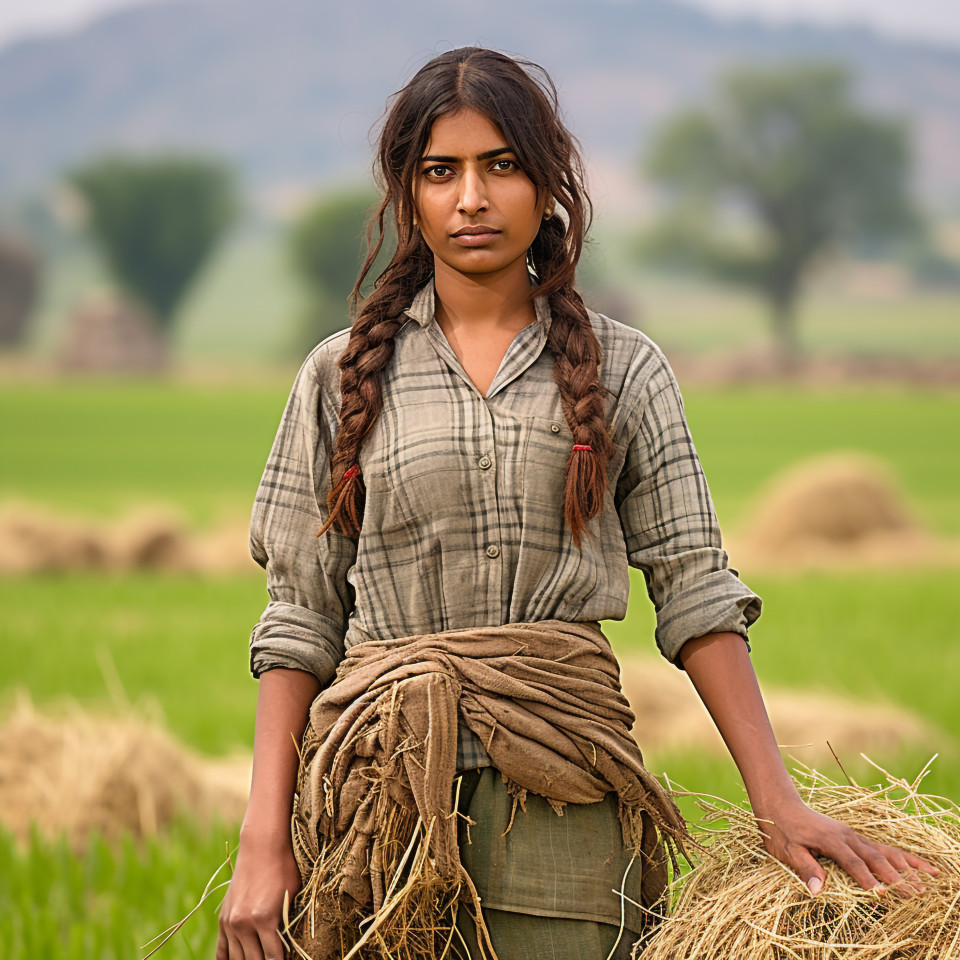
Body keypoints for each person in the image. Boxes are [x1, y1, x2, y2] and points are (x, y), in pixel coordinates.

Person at [215, 47, 938, 960]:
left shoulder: (626, 367)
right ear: (409, 195)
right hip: (374, 804)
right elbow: (300, 618)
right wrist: (262, 836)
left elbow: (697, 593)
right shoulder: (338, 375)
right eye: (441, 172)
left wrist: (778, 801)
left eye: (500, 166)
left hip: (566, 806)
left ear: (547, 182)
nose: (471, 199)